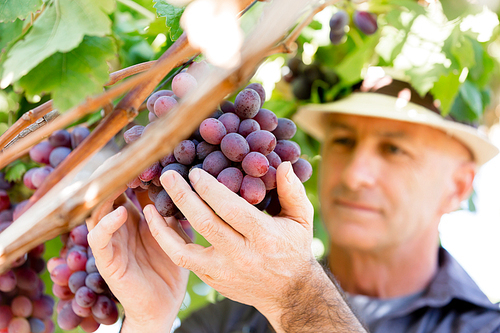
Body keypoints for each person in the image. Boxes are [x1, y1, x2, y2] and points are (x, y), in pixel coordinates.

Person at [86, 70, 500, 333]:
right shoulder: (225, 324)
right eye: (342, 140)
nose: (355, 174)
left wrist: (297, 297)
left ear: (459, 187)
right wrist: (150, 321)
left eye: (395, 150)